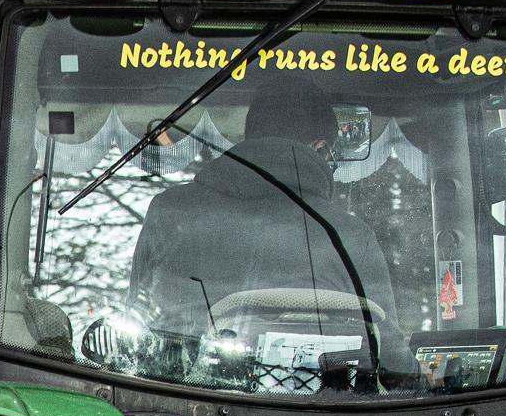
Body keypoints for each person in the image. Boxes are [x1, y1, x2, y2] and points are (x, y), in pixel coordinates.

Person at [127, 85, 394, 336]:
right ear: (320, 149)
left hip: (171, 385)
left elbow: (135, 325)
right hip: (326, 388)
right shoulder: (349, 237)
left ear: (249, 140)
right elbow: (389, 354)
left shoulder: (171, 211)